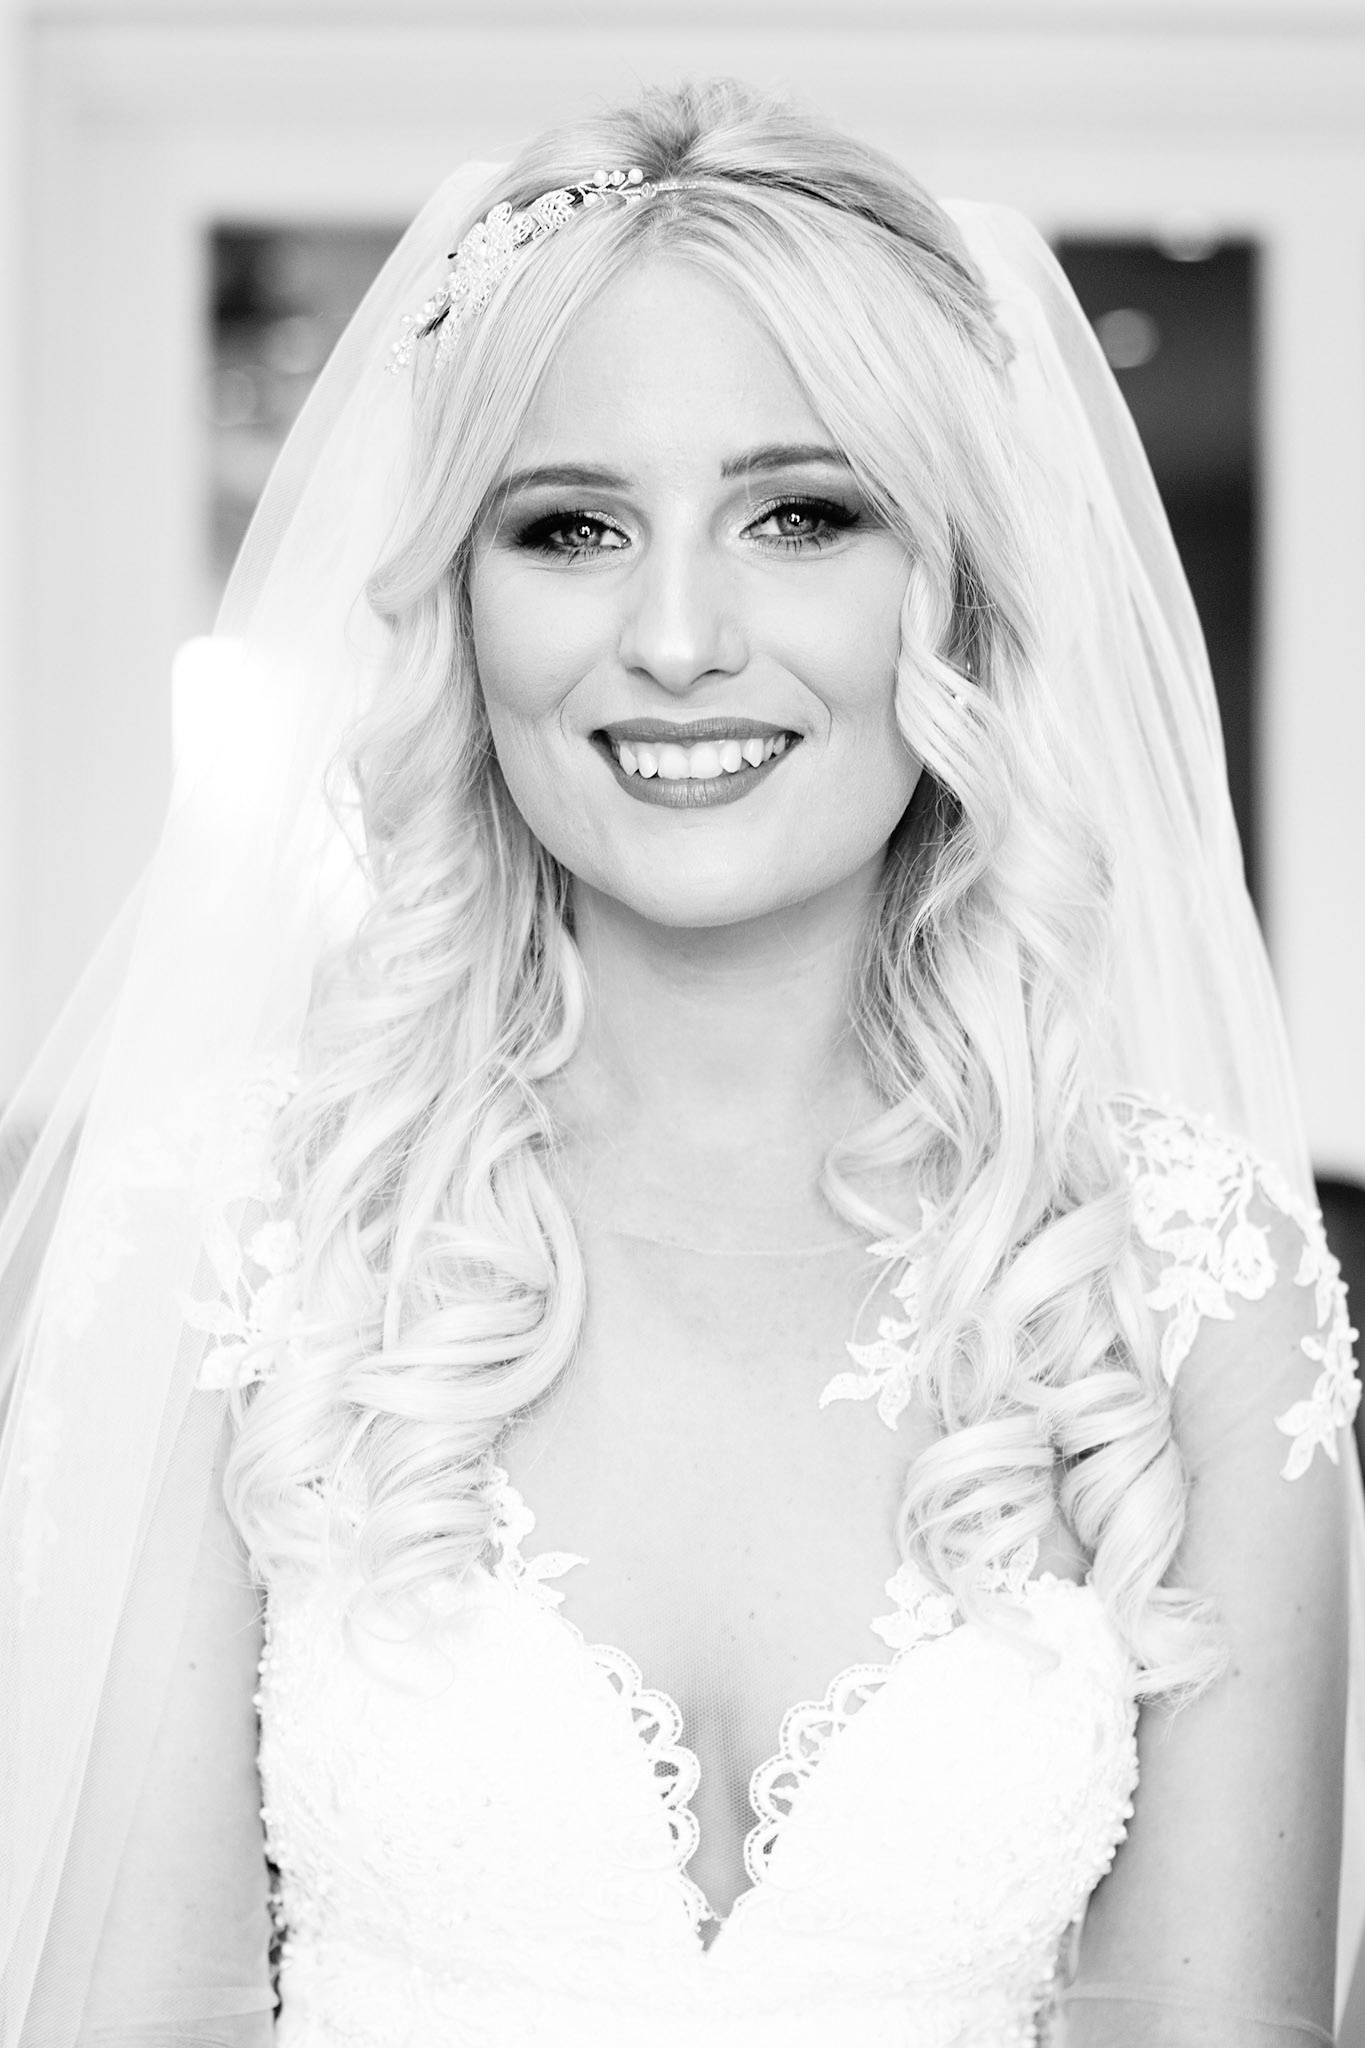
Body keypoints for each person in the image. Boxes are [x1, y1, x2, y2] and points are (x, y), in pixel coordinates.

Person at [1, 77, 1361, 2048]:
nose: (672, 636)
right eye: (569, 526)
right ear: (462, 605)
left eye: (799, 514)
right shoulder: (238, 1235)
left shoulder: (1188, 1284)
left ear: (950, 590)